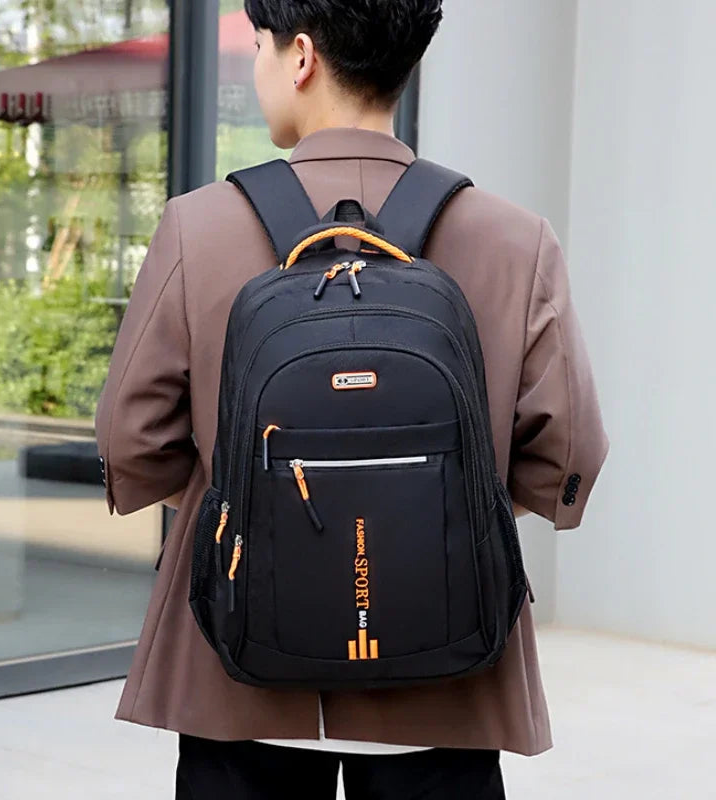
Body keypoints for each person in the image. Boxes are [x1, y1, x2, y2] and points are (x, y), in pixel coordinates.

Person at [95, 1, 609, 797]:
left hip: (239, 673)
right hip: (447, 672)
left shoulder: (198, 227)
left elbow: (131, 442)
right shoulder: (516, 238)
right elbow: (570, 453)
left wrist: (250, 500)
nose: (257, 69)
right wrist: (436, 505)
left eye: (260, 48)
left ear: (300, 57)